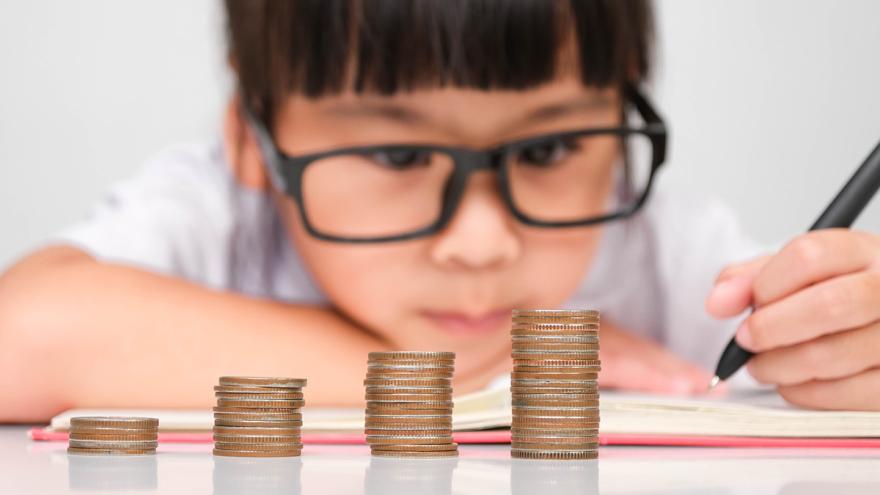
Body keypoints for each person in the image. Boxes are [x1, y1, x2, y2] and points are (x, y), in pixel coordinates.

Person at [1, 0, 879, 423]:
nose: (481, 241)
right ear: (252, 146)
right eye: (395, 154)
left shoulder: (663, 249)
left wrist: (849, 331)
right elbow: (21, 335)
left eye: (544, 151)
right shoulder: (215, 215)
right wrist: (500, 369)